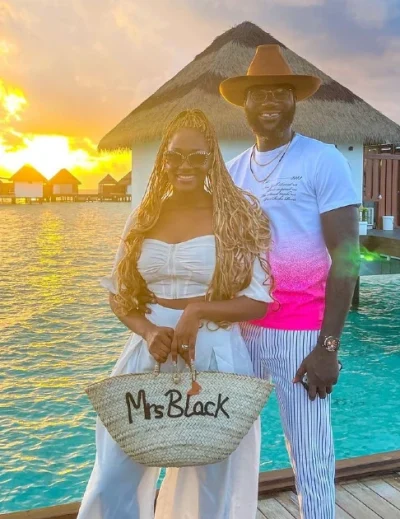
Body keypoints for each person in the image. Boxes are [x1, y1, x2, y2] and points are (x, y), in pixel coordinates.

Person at [77, 109, 273, 519]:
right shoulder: (145, 216)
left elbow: (258, 300)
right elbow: (119, 293)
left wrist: (197, 310)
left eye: (196, 157)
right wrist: (147, 330)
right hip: (149, 351)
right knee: (116, 467)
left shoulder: (234, 216)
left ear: (211, 161)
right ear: (163, 159)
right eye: (174, 155)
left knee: (211, 479)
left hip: (215, 354)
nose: (184, 166)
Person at [220, 45, 361, 519]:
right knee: (231, 449)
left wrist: (329, 346)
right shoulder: (234, 172)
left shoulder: (322, 160)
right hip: (241, 331)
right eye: (260, 92)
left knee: (310, 454)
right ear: (244, 102)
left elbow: (347, 256)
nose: (270, 101)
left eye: (281, 92)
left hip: (300, 334)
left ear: (295, 100)